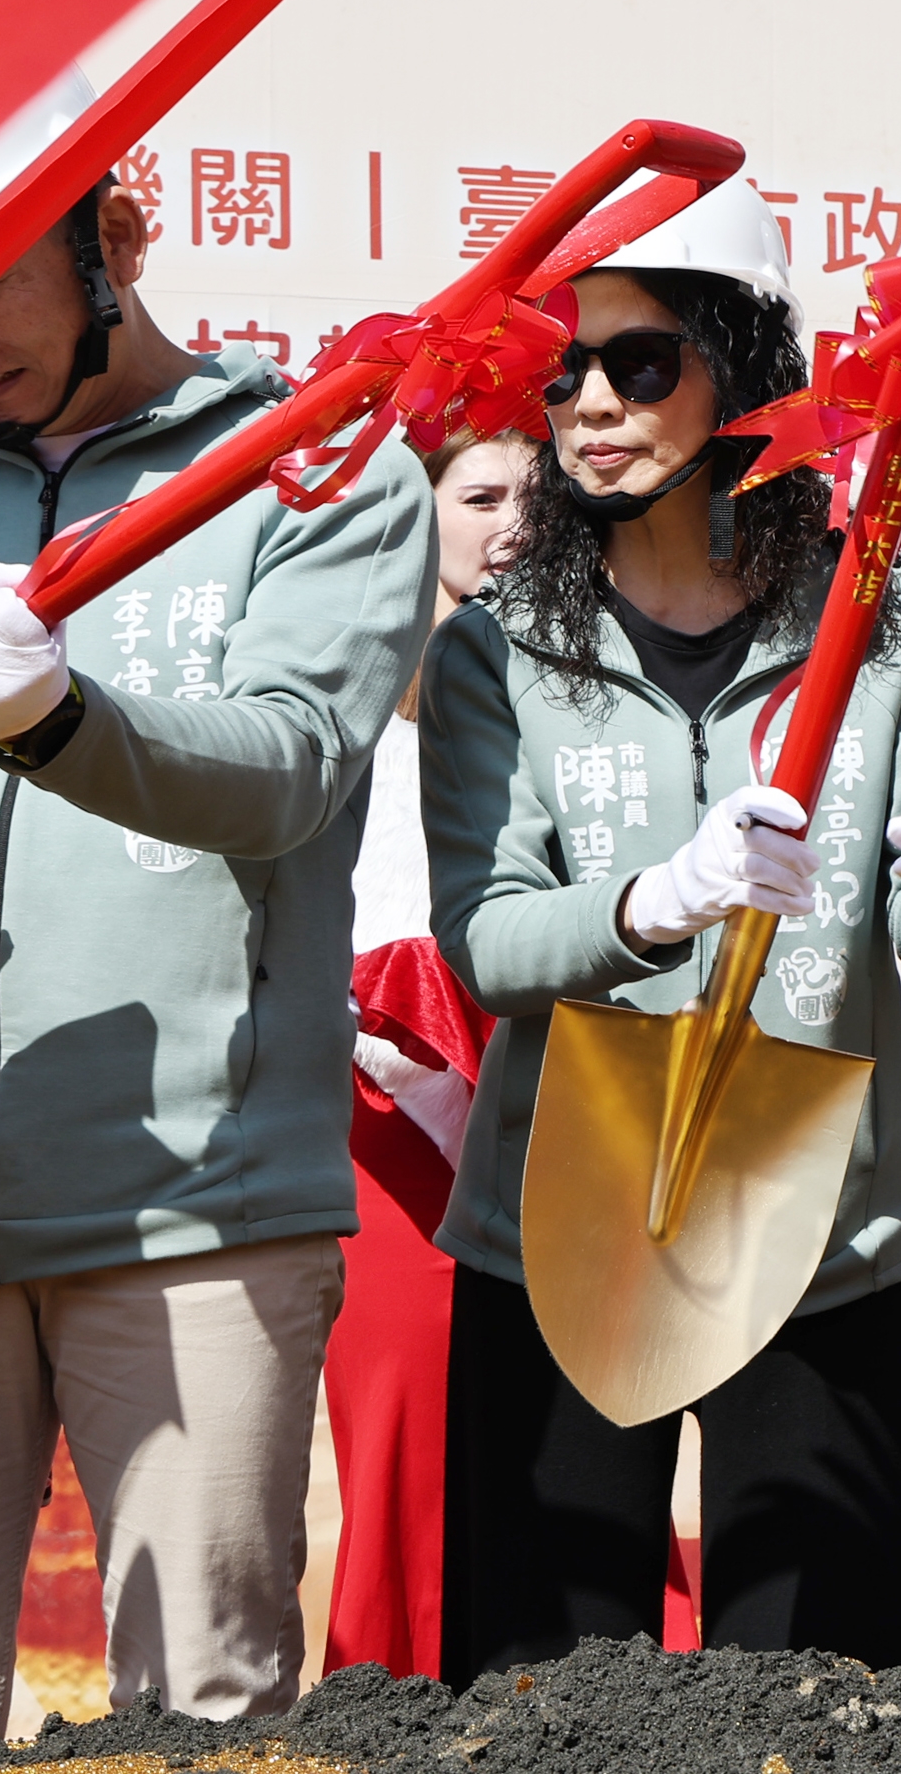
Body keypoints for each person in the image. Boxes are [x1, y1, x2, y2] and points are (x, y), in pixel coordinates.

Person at [425, 186, 901, 1673]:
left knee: (822, 1708)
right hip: (554, 1234)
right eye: (563, 370)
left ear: (745, 372)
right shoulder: (501, 657)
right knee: (540, 1703)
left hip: (818, 1241)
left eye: (640, 362)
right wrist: (650, 905)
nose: (589, 403)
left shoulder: (890, 630)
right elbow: (483, 946)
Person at [0, 175, 435, 1754]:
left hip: (192, 1209)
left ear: (121, 242)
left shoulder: (317, 471)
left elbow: (286, 764)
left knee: (196, 1722)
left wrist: (56, 717)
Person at [322, 434, 530, 1681]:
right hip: (383, 1123)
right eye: (482, 497)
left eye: (536, 498)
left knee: (565, 1445)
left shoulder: (586, 691)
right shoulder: (346, 700)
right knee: (401, 1439)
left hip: (550, 1118)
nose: (514, 523)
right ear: (417, 512)